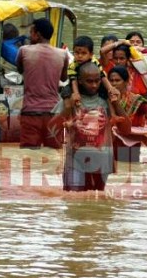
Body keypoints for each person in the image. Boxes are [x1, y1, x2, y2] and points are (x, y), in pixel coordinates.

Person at [51, 63, 131, 192]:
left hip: (102, 159)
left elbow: (126, 129)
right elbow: (52, 127)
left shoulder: (107, 100)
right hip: (76, 159)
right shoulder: (71, 100)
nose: (94, 85)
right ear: (80, 81)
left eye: (97, 81)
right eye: (89, 81)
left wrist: (116, 104)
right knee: (73, 197)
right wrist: (67, 112)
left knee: (97, 199)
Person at [16, 18, 68, 149]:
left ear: (37, 34)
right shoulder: (62, 54)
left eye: (31, 32)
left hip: (31, 113)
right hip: (54, 113)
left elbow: (20, 69)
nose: (29, 35)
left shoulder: (24, 51)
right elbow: (63, 78)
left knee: (28, 157)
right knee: (54, 155)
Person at [67, 35, 118, 106]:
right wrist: (76, 93)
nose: (80, 56)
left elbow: (102, 75)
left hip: (92, 82)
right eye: (76, 53)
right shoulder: (72, 65)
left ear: (91, 54)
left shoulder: (94, 62)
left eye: (83, 53)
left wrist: (110, 88)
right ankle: (71, 108)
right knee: (66, 92)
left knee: (106, 92)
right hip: (78, 83)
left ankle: (112, 113)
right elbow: (73, 81)